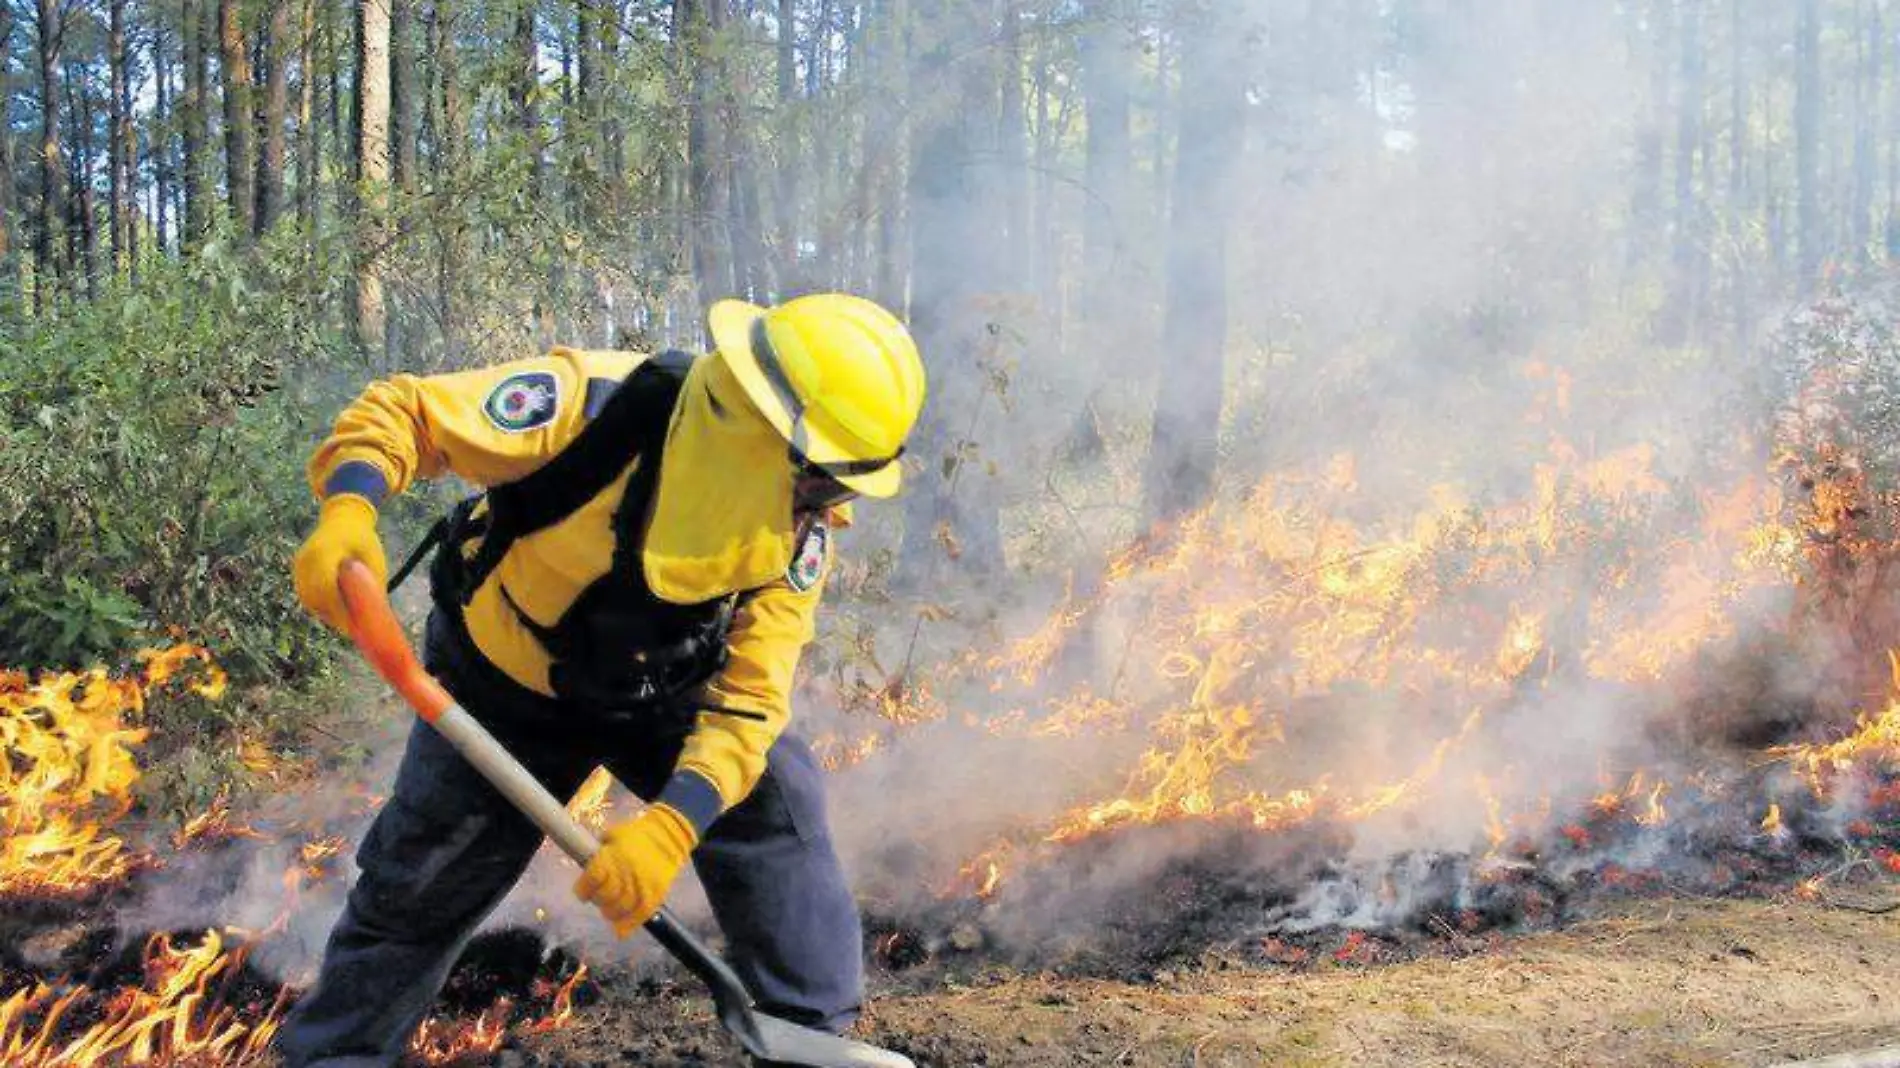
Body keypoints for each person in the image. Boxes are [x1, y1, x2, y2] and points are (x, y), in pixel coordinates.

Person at [276, 294, 927, 1067]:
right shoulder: (595, 405)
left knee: (772, 798)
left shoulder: (795, 533)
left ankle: (806, 1040)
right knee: (420, 883)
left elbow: (751, 702)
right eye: (824, 481)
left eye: (841, 487)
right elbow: (408, 413)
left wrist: (672, 825)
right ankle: (336, 1058)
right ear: (757, 430)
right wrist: (350, 510)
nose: (829, 505)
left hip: (658, 691)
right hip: (501, 687)